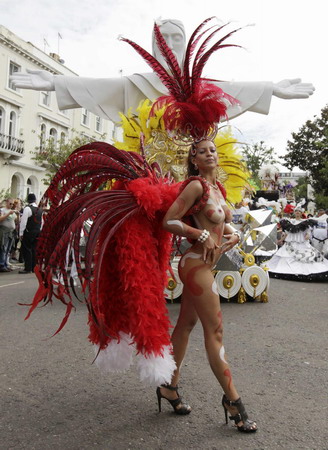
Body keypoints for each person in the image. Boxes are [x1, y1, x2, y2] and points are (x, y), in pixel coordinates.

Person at [9, 19, 315, 124]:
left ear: (186, 43)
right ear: (153, 45)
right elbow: (99, 87)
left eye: (176, 37)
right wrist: (54, 83)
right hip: (148, 172)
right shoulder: (136, 84)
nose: (169, 44)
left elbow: (233, 89)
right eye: (162, 38)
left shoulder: (199, 86)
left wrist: (271, 88)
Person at [159, 138, 257, 431]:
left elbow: (219, 223)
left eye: (213, 149)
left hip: (206, 266)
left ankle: (168, 387)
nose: (210, 154)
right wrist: (196, 234)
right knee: (214, 332)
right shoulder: (195, 186)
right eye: (202, 151)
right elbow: (169, 220)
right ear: (194, 158)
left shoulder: (217, 190)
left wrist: (234, 233)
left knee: (185, 326)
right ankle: (233, 401)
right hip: (194, 264)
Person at [266, 208, 328, 280]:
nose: (297, 212)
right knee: (284, 258)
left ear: (301, 213)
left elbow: (308, 233)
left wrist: (307, 236)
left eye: (299, 211)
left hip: (302, 244)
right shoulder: (289, 222)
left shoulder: (305, 222)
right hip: (290, 245)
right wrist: (280, 240)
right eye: (296, 211)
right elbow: (286, 234)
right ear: (294, 213)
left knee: (307, 259)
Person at [19, 193, 43, 274]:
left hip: (28, 231)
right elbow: (42, 222)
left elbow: (23, 222)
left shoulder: (27, 209)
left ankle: (28, 268)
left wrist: (21, 233)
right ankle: (33, 267)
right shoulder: (40, 210)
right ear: (35, 200)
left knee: (27, 249)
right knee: (34, 250)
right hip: (37, 232)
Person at [0, 198, 18, 272]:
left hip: (11, 232)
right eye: (10, 204)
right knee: (3, 248)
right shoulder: (2, 210)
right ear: (7, 203)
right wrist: (8, 214)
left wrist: (18, 215)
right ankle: (1, 265)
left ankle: (5, 264)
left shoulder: (12, 211)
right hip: (4, 231)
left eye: (12, 204)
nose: (11, 205)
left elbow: (16, 221)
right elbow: (1, 219)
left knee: (8, 249)